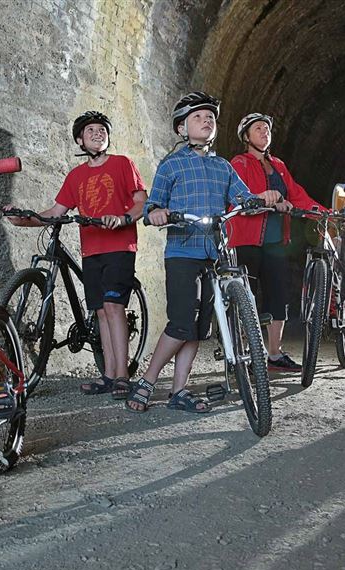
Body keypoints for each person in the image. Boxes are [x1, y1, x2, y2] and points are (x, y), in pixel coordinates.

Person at [125, 92, 282, 413]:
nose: (206, 120)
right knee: (181, 322)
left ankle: (179, 390)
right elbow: (154, 203)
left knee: (199, 327)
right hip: (183, 252)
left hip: (215, 253)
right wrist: (156, 213)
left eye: (210, 117)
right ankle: (148, 380)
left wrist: (256, 199)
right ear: (182, 129)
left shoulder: (222, 166)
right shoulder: (172, 164)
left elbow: (242, 196)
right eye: (197, 117)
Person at [3, 111, 146, 400]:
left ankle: (122, 376)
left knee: (114, 306)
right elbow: (55, 213)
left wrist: (123, 218)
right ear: (80, 140)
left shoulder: (122, 164)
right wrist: (23, 220)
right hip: (91, 249)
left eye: (102, 130)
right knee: (101, 312)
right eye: (90, 130)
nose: (97, 134)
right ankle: (108, 375)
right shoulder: (76, 176)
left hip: (119, 247)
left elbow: (141, 202)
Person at [228, 113, 326, 372]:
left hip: (276, 241)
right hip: (246, 239)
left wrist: (322, 212)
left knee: (278, 295)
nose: (264, 132)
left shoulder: (279, 165)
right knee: (246, 297)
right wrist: (263, 198)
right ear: (246, 137)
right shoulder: (239, 163)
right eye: (258, 129)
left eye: (267, 129)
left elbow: (297, 195)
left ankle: (274, 353)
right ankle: (246, 352)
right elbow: (237, 195)